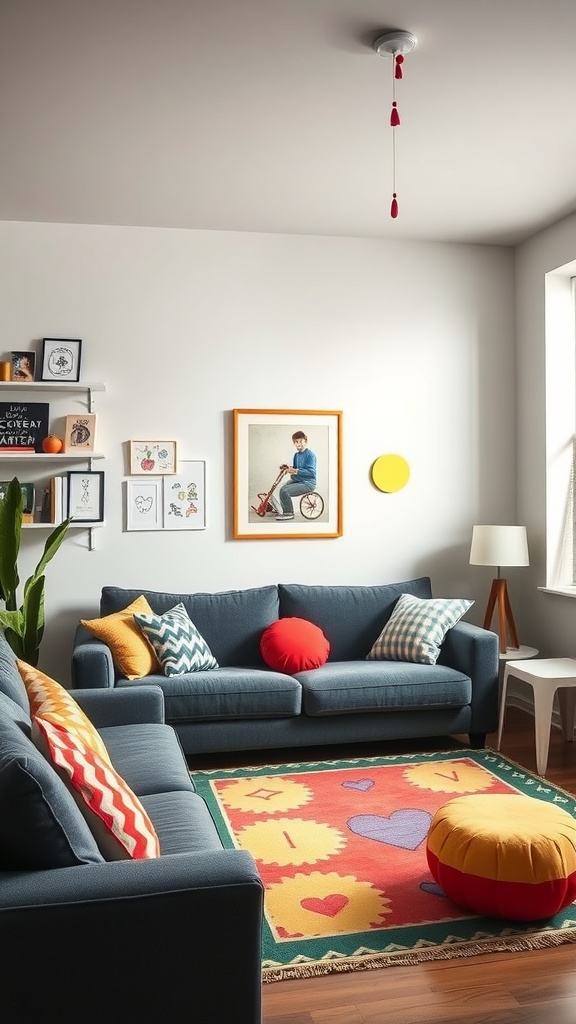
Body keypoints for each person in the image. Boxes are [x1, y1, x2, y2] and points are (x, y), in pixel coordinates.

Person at [276, 430, 317, 521]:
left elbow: (311, 473)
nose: (299, 444)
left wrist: (295, 470)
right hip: (298, 480)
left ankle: (288, 513)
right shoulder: (296, 455)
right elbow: (295, 468)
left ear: (305, 441)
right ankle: (284, 509)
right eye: (296, 442)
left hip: (308, 483)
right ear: (294, 443)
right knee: (282, 488)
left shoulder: (310, 455)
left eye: (301, 441)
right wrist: (287, 468)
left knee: (284, 491)